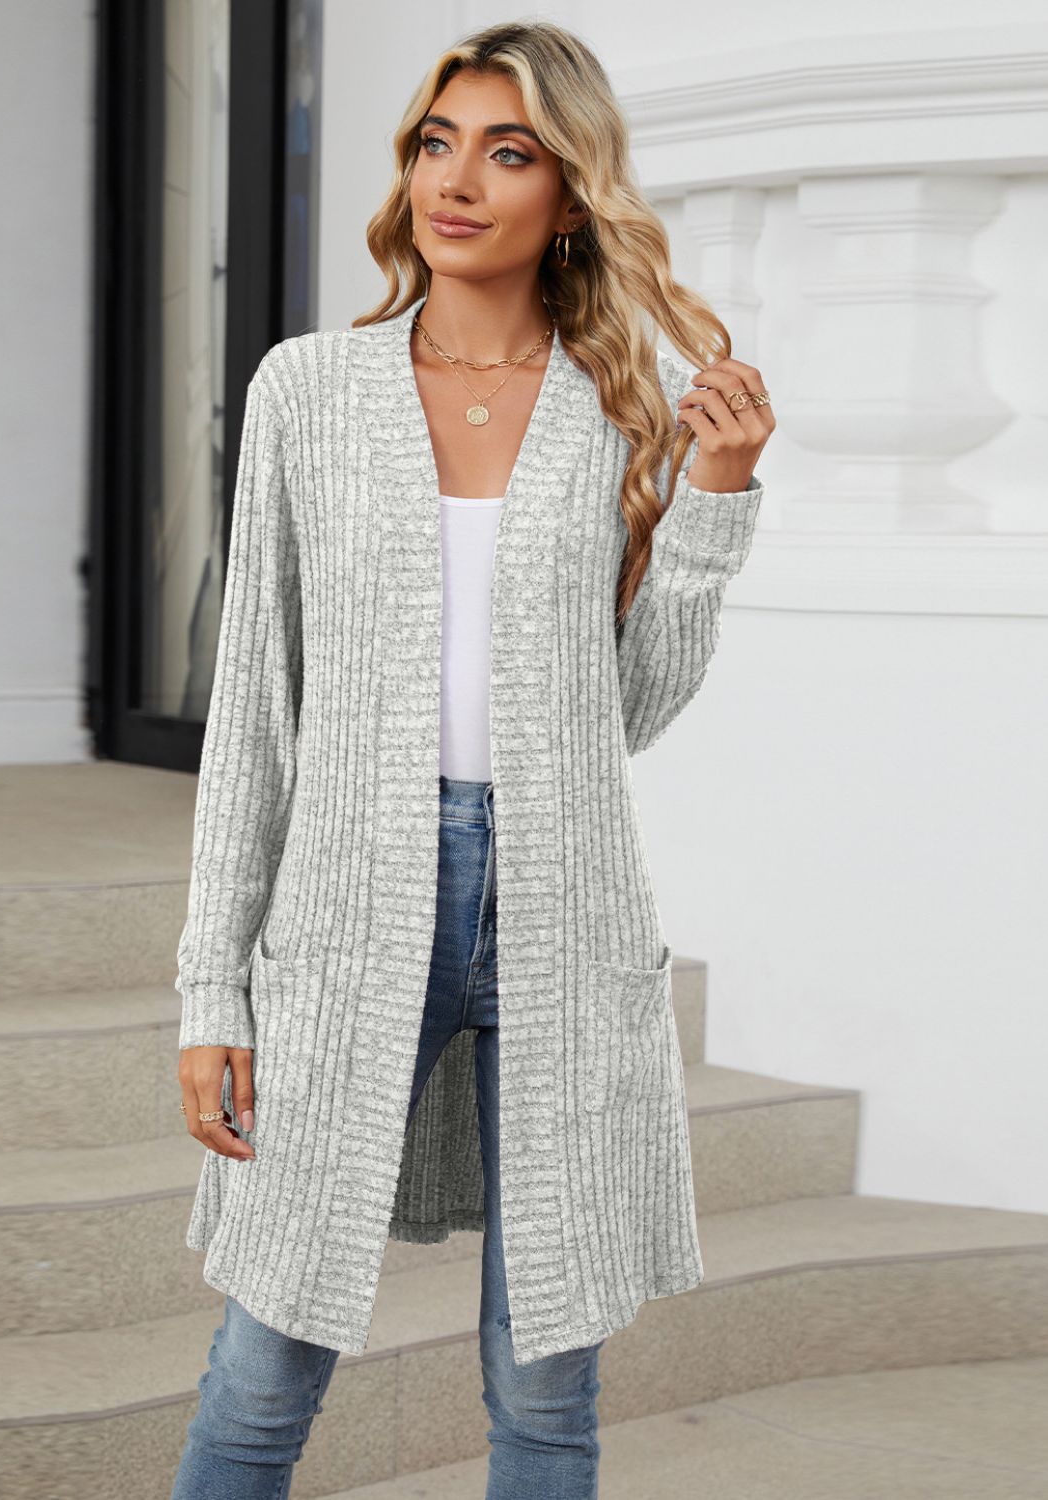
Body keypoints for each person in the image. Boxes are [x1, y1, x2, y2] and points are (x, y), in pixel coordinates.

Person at [170, 18, 774, 1500]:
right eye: (436, 144)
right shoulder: (308, 391)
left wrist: (712, 497)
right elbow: (254, 713)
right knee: (262, 1369)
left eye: (507, 153)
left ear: (568, 195)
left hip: (564, 911)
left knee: (546, 1386)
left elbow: (627, 710)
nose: (455, 181)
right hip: (348, 904)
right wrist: (212, 987)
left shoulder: (619, 408)